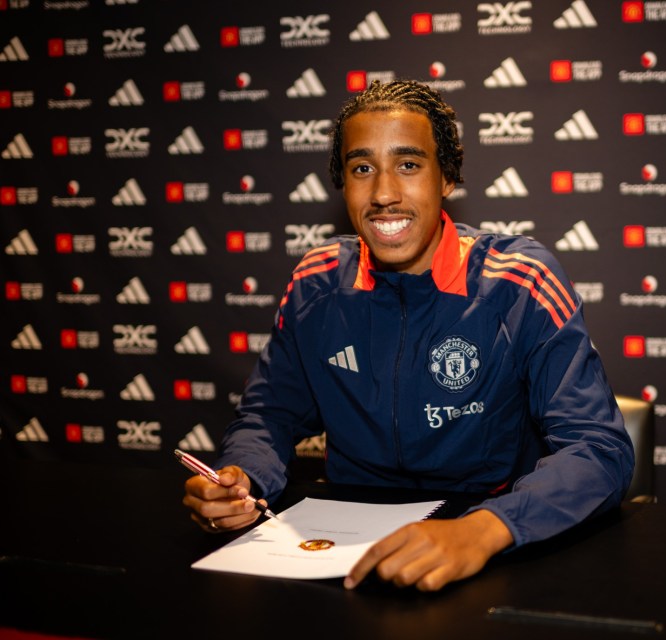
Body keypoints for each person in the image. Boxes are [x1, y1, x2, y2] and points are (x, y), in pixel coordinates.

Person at [182, 80, 634, 592]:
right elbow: (269, 415)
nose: (383, 193)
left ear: (447, 178)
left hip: (491, 540)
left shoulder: (518, 281)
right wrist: (242, 478)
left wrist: (484, 530)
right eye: (362, 169)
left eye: (409, 164)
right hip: (341, 547)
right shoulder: (317, 281)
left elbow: (599, 448)